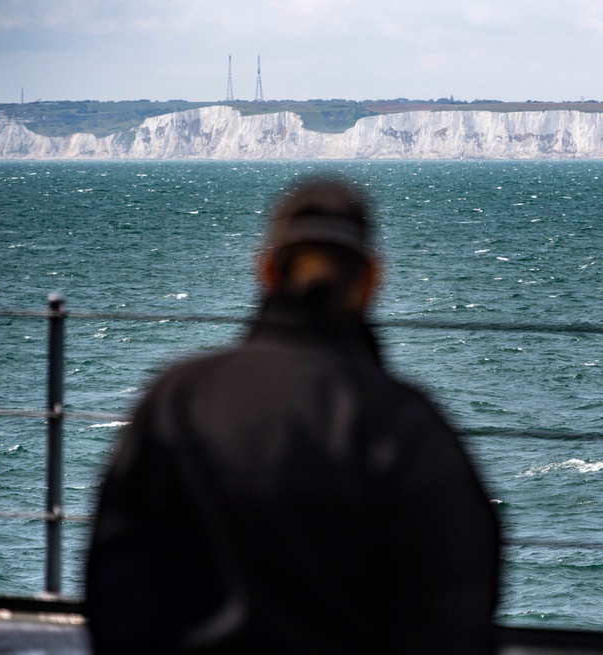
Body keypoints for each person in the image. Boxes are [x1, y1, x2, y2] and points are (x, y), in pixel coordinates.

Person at [87, 177, 501, 654]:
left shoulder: (177, 399)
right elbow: (456, 606)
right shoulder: (405, 424)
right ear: (370, 278)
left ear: (265, 270)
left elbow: (115, 581)